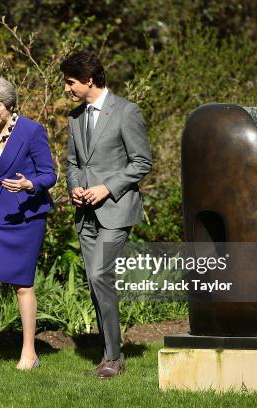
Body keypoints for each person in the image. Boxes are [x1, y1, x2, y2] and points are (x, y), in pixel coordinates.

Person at [60, 51, 152, 378]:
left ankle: (114, 358)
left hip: (116, 211)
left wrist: (106, 188)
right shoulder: (74, 117)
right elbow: (73, 164)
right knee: (95, 281)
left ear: (88, 80)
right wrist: (74, 186)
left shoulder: (127, 112)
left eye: (70, 82)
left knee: (100, 275)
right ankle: (109, 353)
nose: (66, 89)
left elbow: (142, 162)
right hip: (85, 214)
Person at [0, 77, 56, 372]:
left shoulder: (32, 131)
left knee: (22, 284)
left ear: (10, 104)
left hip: (25, 215)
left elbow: (49, 174)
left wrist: (30, 183)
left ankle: (29, 352)